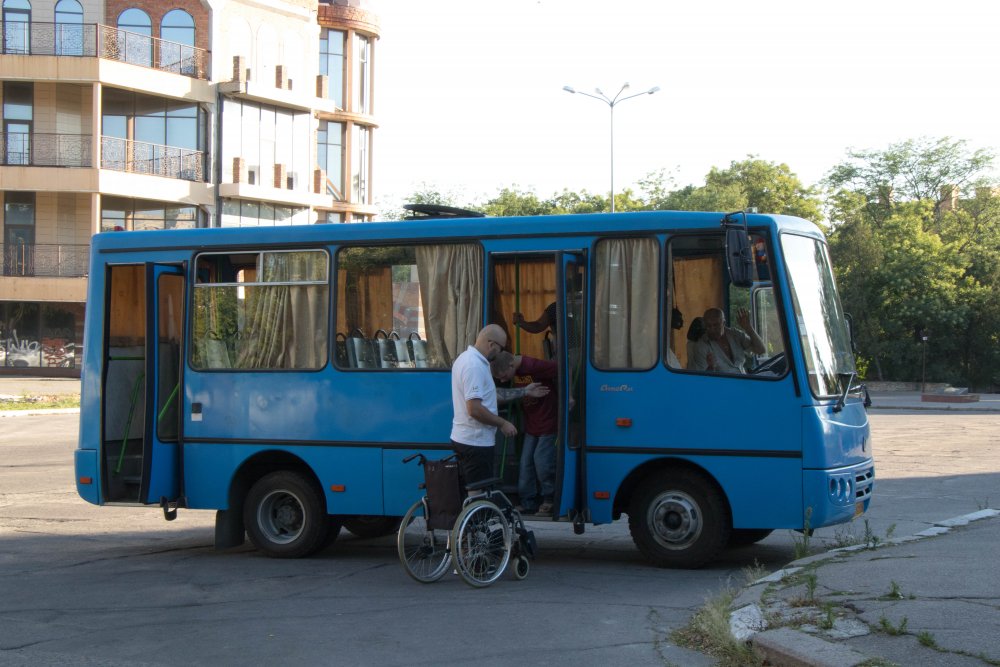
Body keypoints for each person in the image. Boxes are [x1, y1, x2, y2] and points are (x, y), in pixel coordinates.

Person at [450, 324, 517, 493]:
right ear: (491, 344)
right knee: (477, 495)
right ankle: (473, 519)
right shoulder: (474, 366)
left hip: (466, 439)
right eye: (501, 348)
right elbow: (474, 409)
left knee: (470, 493)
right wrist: (502, 423)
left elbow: (486, 398)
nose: (501, 353)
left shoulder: (465, 359)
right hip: (476, 443)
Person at [490, 350, 557, 517]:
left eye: (504, 375)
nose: (503, 380)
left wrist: (569, 396)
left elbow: (564, 368)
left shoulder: (533, 365)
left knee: (541, 461)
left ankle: (550, 498)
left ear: (511, 365)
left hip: (549, 422)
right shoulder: (515, 368)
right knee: (525, 463)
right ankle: (528, 502)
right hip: (532, 425)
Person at [687, 307, 765, 374]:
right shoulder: (701, 346)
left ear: (723, 323)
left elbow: (761, 350)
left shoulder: (735, 334)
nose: (712, 329)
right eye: (708, 326)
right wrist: (711, 367)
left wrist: (748, 328)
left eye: (716, 325)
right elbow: (701, 380)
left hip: (743, 381)